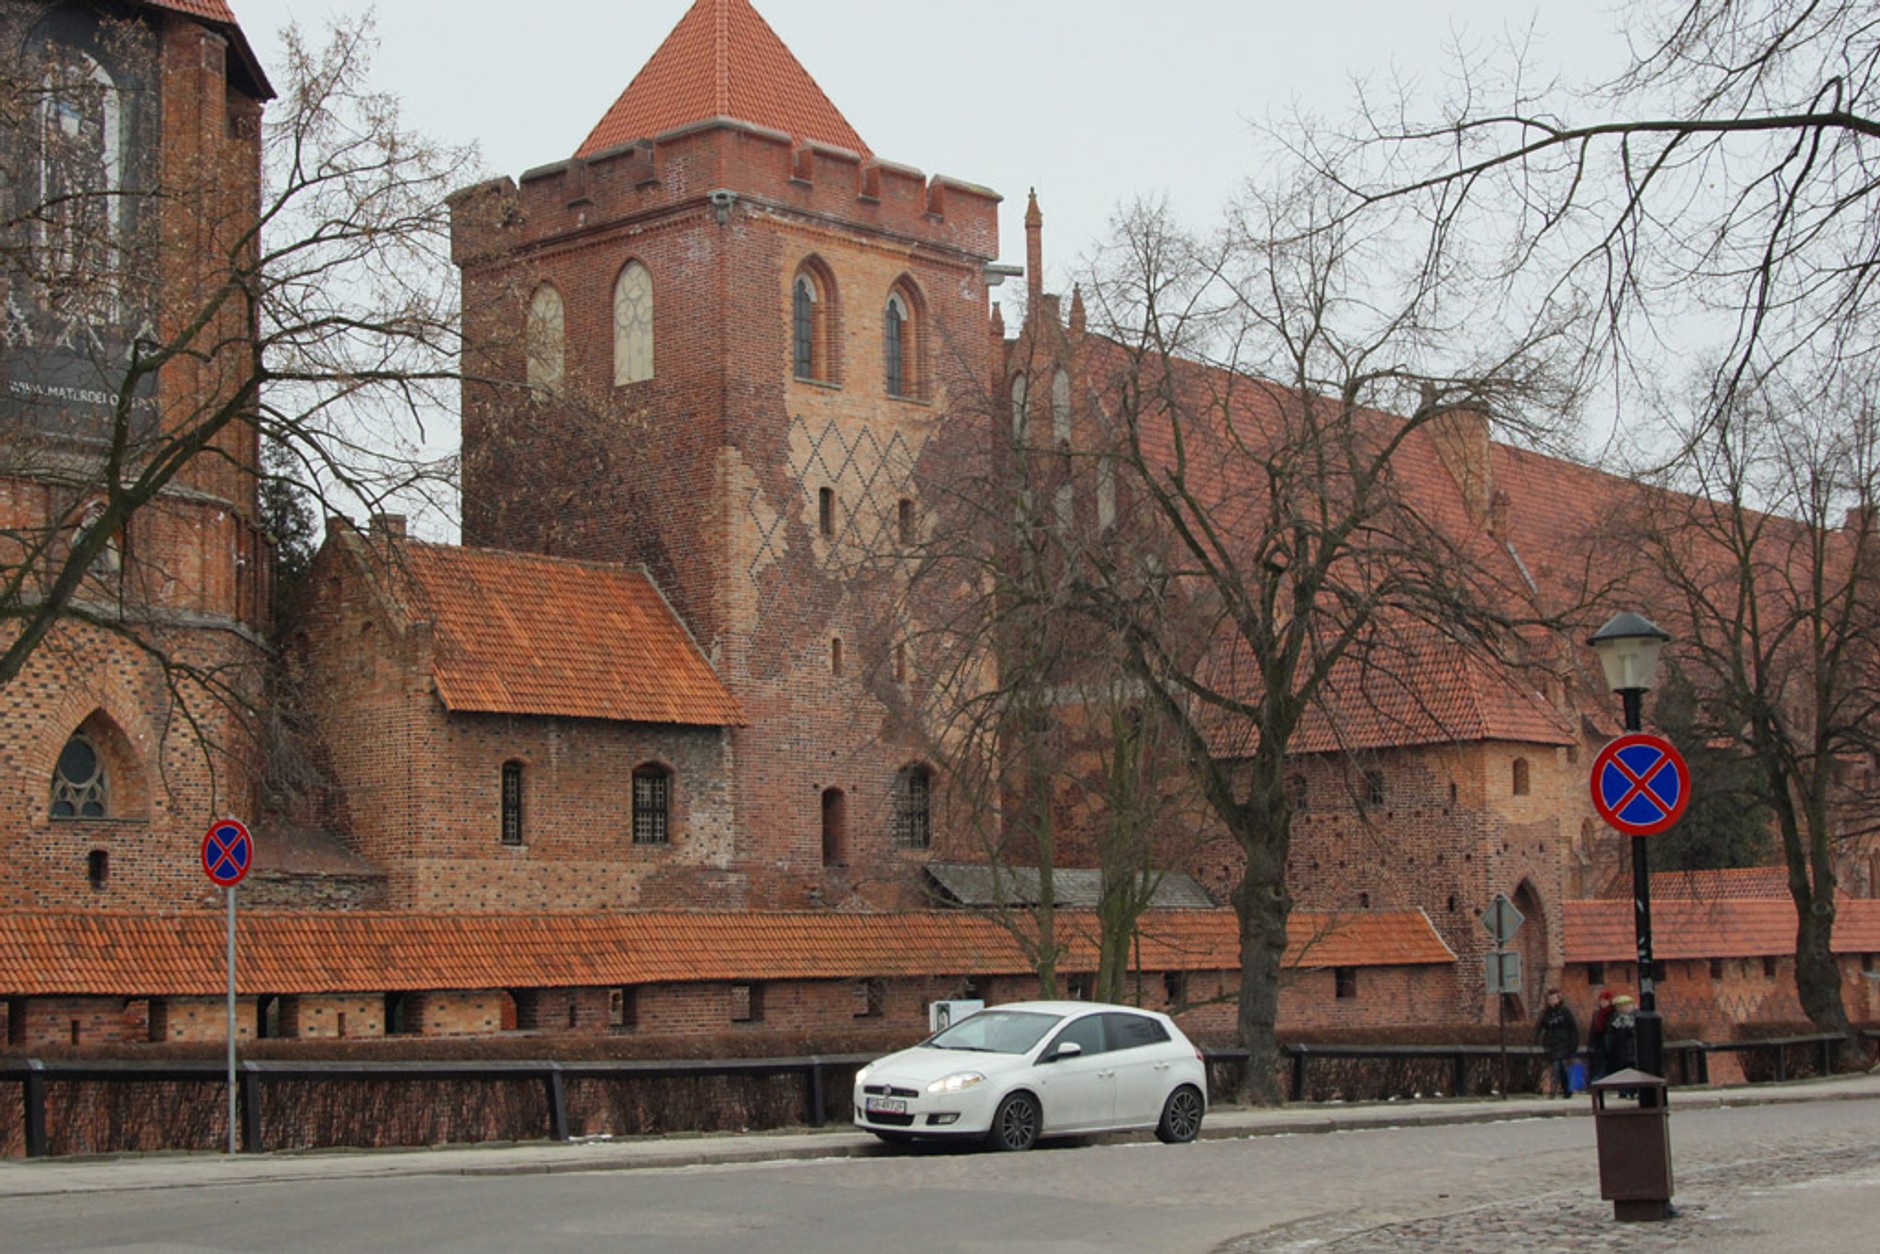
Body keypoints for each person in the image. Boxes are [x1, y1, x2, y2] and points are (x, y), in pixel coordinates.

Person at [1534, 988, 1580, 1098]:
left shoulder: (1565, 1012)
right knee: (1558, 1067)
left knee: (1558, 1066)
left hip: (1563, 1043)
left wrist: (1573, 1045)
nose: (1552, 1001)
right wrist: (1535, 1039)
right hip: (1551, 1044)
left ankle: (1555, 1091)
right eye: (1550, 999)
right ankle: (1563, 1089)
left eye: (1554, 998)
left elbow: (1573, 1029)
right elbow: (1540, 1026)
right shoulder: (1547, 1013)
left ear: (1559, 999)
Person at [1603, 994, 1640, 1079]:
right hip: (1618, 1055)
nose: (1620, 1009)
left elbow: (1638, 1035)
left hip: (1633, 1054)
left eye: (1622, 1006)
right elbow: (1610, 1036)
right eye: (1618, 1007)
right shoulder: (1614, 1020)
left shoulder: (1636, 1018)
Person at [1587, 988, 1617, 1079]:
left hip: (1609, 1044)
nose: (1603, 1002)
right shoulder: (1597, 1014)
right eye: (1601, 1000)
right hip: (1598, 1043)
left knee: (1606, 1066)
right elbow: (1593, 1030)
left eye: (1605, 1000)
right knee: (1598, 1066)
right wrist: (1591, 1044)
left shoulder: (1613, 1013)